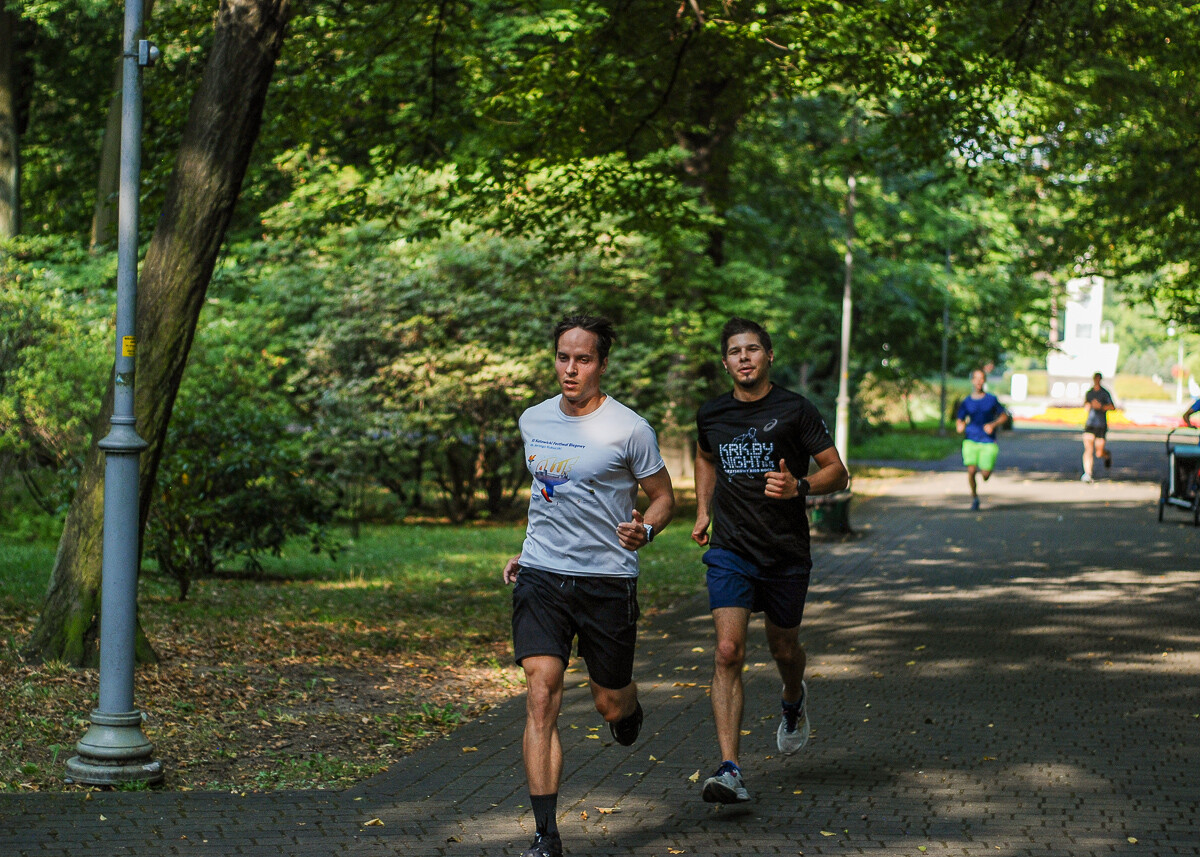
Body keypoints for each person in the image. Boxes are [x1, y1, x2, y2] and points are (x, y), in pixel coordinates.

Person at [502, 315, 675, 857]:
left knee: (608, 703)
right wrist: (526, 552)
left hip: (606, 580)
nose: (570, 369)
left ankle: (628, 709)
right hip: (542, 576)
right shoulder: (534, 419)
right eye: (562, 357)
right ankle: (545, 834)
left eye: (582, 359)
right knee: (541, 692)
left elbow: (665, 496)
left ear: (602, 363)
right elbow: (549, 495)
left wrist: (645, 527)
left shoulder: (630, 428)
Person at [691, 317, 848, 805]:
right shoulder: (711, 414)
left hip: (784, 554)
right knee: (727, 652)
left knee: (784, 650)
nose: (744, 357)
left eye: (753, 349)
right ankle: (730, 769)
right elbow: (705, 456)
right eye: (735, 351)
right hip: (731, 551)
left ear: (768, 356)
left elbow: (837, 473)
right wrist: (701, 510)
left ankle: (793, 698)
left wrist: (799, 486)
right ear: (725, 362)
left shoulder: (795, 410)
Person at [955, 368, 1009, 510]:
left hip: (988, 440)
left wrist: (993, 424)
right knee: (971, 470)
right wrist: (959, 426)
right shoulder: (967, 401)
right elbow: (959, 419)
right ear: (972, 381)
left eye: (981, 378)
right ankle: (974, 498)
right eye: (976, 378)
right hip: (971, 438)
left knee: (985, 474)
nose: (979, 381)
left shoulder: (991, 399)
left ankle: (986, 472)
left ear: (984, 380)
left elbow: (1004, 416)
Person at [1081, 372, 1116, 483]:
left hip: (1101, 424)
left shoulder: (1105, 393)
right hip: (1090, 423)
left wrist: (1101, 406)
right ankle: (1088, 473)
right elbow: (1086, 405)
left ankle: (1106, 455)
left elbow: (1112, 407)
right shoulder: (1090, 393)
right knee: (1088, 449)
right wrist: (1090, 405)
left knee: (1099, 452)